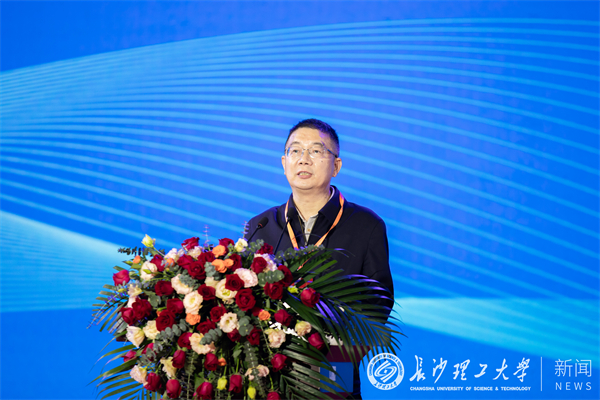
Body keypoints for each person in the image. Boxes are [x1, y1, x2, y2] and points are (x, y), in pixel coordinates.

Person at [246, 118, 394, 399]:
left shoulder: (366, 225)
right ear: (284, 163)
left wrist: (336, 353)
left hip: (333, 371)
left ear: (336, 166)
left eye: (316, 151)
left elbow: (378, 304)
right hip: (271, 373)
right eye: (295, 151)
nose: (303, 159)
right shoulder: (261, 226)